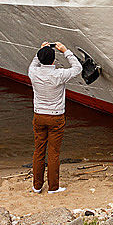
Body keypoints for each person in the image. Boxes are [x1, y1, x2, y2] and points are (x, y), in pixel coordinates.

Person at [28, 41, 82, 194]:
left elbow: (34, 62)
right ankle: (53, 187)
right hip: (56, 117)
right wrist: (65, 50)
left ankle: (37, 186)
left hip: (39, 115)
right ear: (53, 60)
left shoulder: (33, 72)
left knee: (39, 151)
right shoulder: (59, 74)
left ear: (40, 58)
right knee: (53, 152)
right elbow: (78, 68)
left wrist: (41, 50)